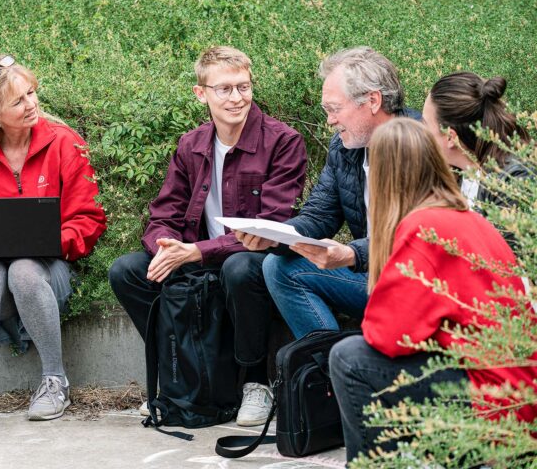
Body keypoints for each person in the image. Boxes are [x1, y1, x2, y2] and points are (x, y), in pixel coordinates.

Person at [108, 46, 308, 426]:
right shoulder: (192, 144)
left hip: (252, 258)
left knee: (240, 267)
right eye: (224, 89)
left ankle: (255, 383)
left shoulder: (282, 141)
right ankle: (176, 380)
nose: (237, 98)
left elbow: (273, 223)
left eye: (243, 87)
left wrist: (195, 251)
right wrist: (166, 247)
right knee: (128, 271)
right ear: (202, 93)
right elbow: (163, 213)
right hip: (197, 256)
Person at [328, 118, 537, 462]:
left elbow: (386, 336)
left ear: (386, 175)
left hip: (493, 400)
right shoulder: (463, 216)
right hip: (514, 392)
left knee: (349, 358)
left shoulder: (423, 227)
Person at [0, 55, 107, 444]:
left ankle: (55, 380)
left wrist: (49, 239)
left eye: (31, 93)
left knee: (23, 269)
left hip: (48, 271)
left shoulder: (64, 143)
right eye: (18, 101)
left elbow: (89, 218)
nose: (31, 104)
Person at [238, 46, 420, 340]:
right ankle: (322, 371)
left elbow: (417, 239)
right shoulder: (345, 147)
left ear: (372, 100)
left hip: (416, 282)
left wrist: (351, 253)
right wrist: (276, 235)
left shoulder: (419, 145)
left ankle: (347, 367)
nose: (330, 121)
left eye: (334, 109)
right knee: (279, 267)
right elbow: (320, 214)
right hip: (369, 274)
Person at [422, 72, 530, 245]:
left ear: (451, 137)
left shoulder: (512, 182)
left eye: (425, 125)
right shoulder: (456, 172)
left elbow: (504, 260)